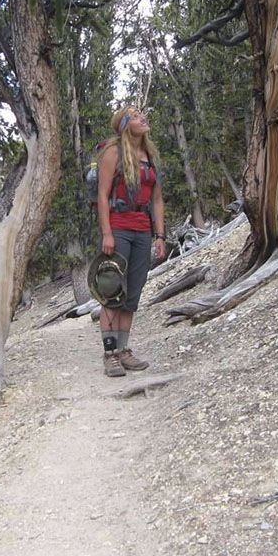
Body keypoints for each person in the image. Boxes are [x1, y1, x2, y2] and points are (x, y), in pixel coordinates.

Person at [96, 105, 165, 377]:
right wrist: (107, 233)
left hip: (142, 230)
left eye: (142, 114)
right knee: (112, 291)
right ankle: (110, 353)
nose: (142, 118)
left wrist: (159, 235)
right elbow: (103, 196)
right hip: (119, 227)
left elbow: (157, 200)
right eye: (135, 116)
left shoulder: (149, 156)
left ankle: (124, 351)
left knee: (132, 294)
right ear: (125, 125)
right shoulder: (113, 154)